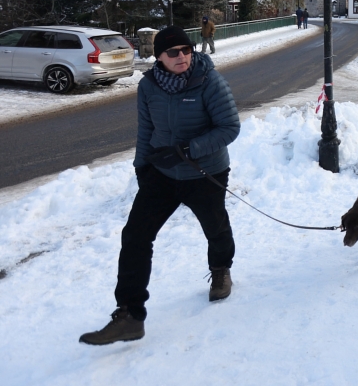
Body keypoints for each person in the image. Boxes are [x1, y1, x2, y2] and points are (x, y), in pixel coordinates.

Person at [80, 26, 240, 345]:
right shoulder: (149, 86)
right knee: (136, 236)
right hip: (163, 173)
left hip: (205, 172)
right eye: (173, 52)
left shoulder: (208, 81)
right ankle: (129, 314)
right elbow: (146, 130)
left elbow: (229, 127)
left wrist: (188, 149)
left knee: (215, 227)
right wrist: (142, 167)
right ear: (159, 57)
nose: (181, 56)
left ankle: (221, 268)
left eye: (186, 49)